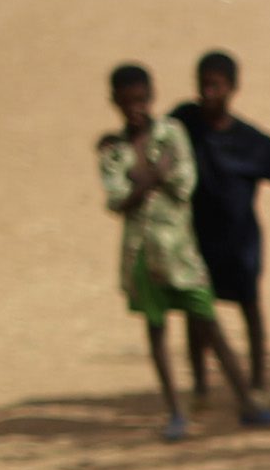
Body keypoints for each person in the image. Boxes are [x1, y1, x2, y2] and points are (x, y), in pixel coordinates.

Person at [95, 62, 250, 442]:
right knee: (157, 330)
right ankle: (176, 413)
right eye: (128, 100)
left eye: (142, 99)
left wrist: (142, 181)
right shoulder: (114, 151)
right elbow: (117, 200)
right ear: (114, 101)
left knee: (209, 323)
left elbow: (183, 184)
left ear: (152, 96)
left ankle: (249, 403)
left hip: (181, 253)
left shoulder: (171, 134)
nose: (136, 107)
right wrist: (154, 175)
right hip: (143, 258)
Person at [177, 49, 270, 429]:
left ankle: (257, 382)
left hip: (239, 242)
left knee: (250, 307)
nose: (208, 92)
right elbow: (157, 139)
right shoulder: (184, 123)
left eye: (216, 84)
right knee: (197, 313)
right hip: (199, 239)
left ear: (233, 88)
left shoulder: (246, 140)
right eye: (203, 84)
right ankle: (201, 384)